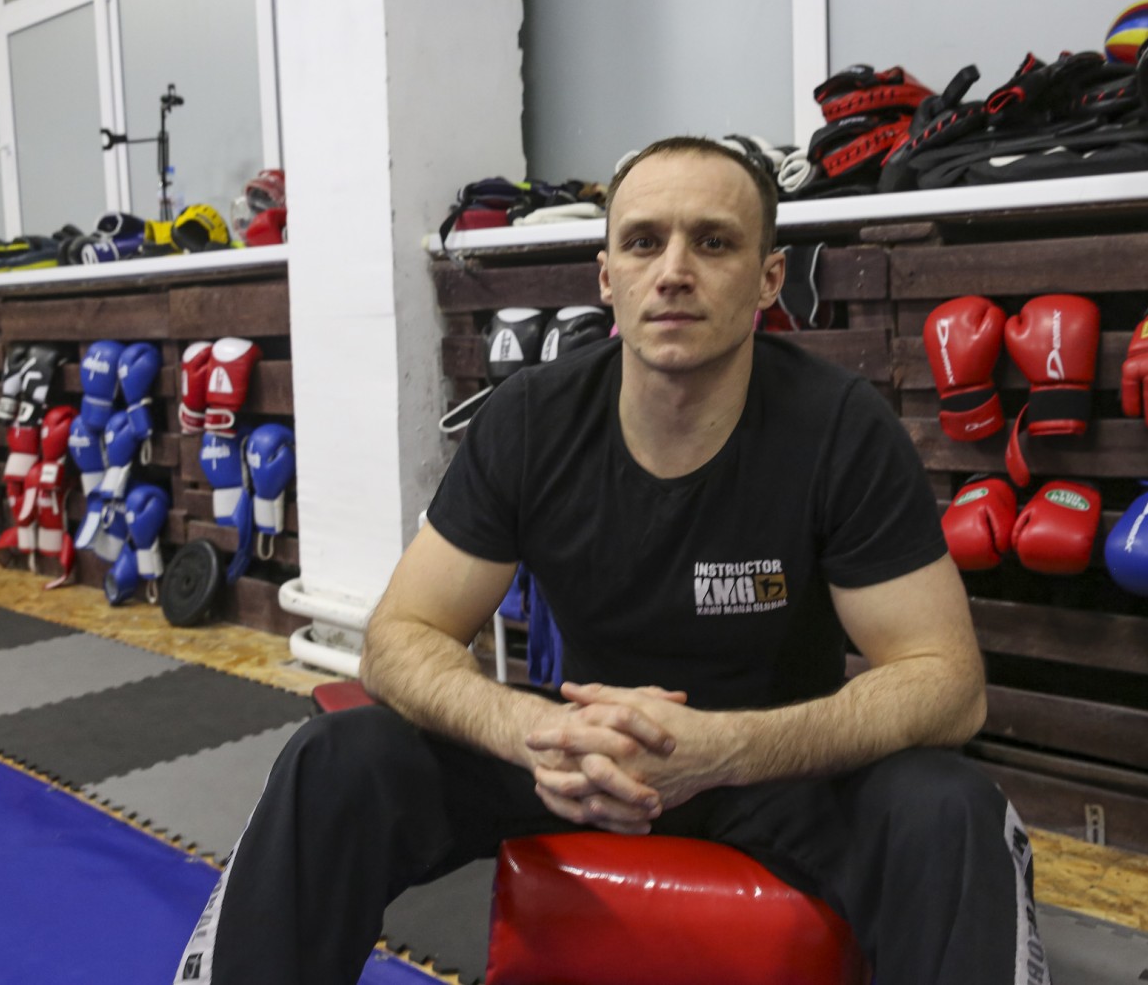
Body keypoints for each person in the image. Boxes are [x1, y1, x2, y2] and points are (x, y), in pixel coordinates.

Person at [174, 136, 1050, 984]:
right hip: (575, 761)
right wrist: (534, 733)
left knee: (949, 809)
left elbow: (948, 684)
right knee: (336, 760)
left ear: (768, 278)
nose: (674, 270)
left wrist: (727, 749)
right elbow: (401, 637)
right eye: (642, 242)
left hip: (772, 765)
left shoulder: (841, 427)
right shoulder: (530, 420)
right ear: (607, 278)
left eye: (714, 242)